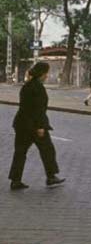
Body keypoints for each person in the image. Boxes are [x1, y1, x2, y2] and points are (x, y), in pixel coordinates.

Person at [9, 62, 65, 190]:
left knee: (20, 152)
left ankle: (15, 180)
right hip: (33, 126)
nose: (47, 76)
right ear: (42, 74)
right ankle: (51, 176)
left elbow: (25, 107)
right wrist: (40, 127)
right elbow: (38, 110)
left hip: (21, 124)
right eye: (46, 73)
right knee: (48, 150)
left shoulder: (27, 86)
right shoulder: (38, 88)